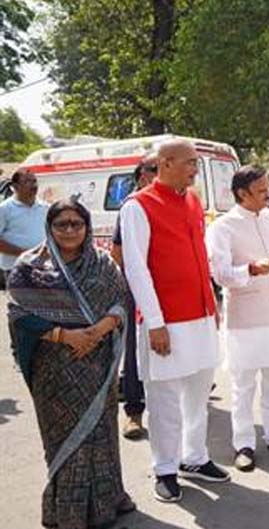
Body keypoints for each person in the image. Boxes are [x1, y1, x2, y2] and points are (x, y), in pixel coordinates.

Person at [8, 199, 134, 528]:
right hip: (54, 369)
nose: (68, 230)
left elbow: (120, 301)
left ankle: (108, 501)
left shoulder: (103, 263)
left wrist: (97, 331)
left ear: (87, 227)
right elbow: (19, 314)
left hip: (98, 366)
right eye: (60, 224)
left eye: (75, 224)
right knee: (65, 439)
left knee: (102, 434)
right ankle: (67, 511)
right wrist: (66, 336)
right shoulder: (29, 265)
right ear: (49, 227)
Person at [120, 139, 229, 503]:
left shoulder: (194, 201)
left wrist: (212, 305)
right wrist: (154, 322)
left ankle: (194, 458)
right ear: (164, 163)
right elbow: (136, 267)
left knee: (198, 392)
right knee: (164, 398)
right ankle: (165, 467)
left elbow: (199, 255)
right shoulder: (138, 206)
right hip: (164, 320)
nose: (195, 169)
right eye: (189, 163)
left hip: (200, 314)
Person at [207, 165, 269, 472]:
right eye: (262, 190)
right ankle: (244, 444)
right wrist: (250, 270)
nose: (268, 194)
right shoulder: (222, 227)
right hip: (247, 317)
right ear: (242, 193)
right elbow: (220, 273)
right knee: (244, 384)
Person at [110, 155, 158, 440]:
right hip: (138, 289)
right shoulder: (133, 206)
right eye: (155, 169)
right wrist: (140, 282)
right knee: (134, 350)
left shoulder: (178, 201)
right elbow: (118, 253)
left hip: (169, 290)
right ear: (142, 176)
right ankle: (134, 413)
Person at [0, 169, 48, 287]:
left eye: (35, 181)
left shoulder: (45, 208)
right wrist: (25, 254)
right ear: (15, 186)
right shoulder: (4, 209)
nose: (34, 185)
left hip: (41, 267)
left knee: (41, 303)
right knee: (19, 304)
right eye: (28, 181)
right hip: (14, 267)